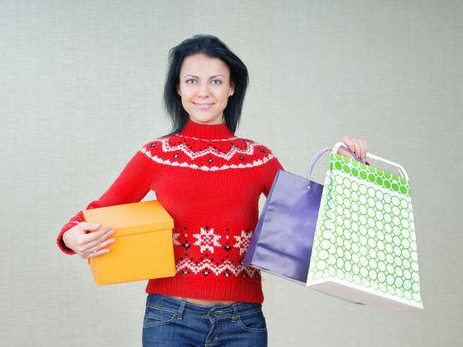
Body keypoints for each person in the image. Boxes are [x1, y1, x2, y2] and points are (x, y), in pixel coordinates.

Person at [56, 35, 368, 346]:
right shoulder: (155, 155)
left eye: (216, 81)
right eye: (192, 81)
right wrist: (71, 235)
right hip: (169, 317)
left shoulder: (258, 158)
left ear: (232, 87)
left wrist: (347, 172)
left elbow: (307, 226)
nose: (203, 92)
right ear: (178, 87)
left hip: (242, 322)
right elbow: (101, 207)